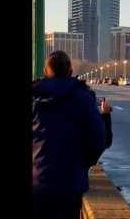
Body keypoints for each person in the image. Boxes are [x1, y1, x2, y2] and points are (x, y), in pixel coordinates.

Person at [32, 51, 113, 219]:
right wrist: (83, 164)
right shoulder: (84, 97)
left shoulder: (34, 96)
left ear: (46, 72)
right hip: (69, 185)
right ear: (70, 70)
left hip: (36, 184)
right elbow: (98, 140)